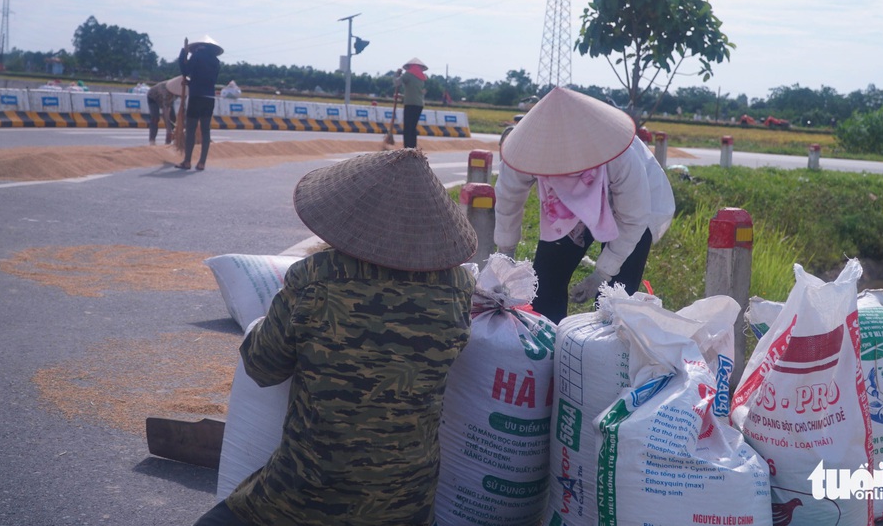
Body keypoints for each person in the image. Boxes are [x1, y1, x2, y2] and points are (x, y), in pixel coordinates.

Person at [196, 149, 478, 526]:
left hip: (306, 495)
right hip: (408, 504)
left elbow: (263, 367)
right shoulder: (459, 288)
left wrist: (266, 323)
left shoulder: (315, 277)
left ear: (350, 219)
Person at [494, 87, 675, 324]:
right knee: (545, 286)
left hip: (635, 210)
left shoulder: (622, 157)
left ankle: (606, 353)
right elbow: (509, 200)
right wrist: (505, 257)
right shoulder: (525, 151)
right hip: (563, 211)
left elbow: (633, 219)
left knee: (615, 297)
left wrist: (601, 274)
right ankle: (549, 349)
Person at [177, 35, 223, 170]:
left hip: (196, 96)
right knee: (205, 130)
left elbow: (185, 70)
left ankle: (187, 161)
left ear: (198, 47)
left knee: (190, 129)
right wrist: (191, 83)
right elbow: (207, 80)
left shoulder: (197, 56)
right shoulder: (216, 62)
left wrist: (183, 54)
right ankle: (202, 162)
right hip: (209, 98)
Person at [393, 57, 428, 148]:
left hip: (410, 104)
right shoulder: (422, 78)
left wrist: (396, 75)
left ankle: (407, 148)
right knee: (412, 127)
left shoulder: (408, 74)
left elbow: (397, 83)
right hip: (419, 104)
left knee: (407, 128)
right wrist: (402, 96)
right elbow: (414, 92)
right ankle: (412, 147)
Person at [146, 76, 180, 145]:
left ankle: (172, 139)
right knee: (155, 118)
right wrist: (169, 130)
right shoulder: (165, 90)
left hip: (169, 100)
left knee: (173, 117)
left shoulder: (181, 90)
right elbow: (165, 112)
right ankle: (152, 140)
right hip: (153, 98)